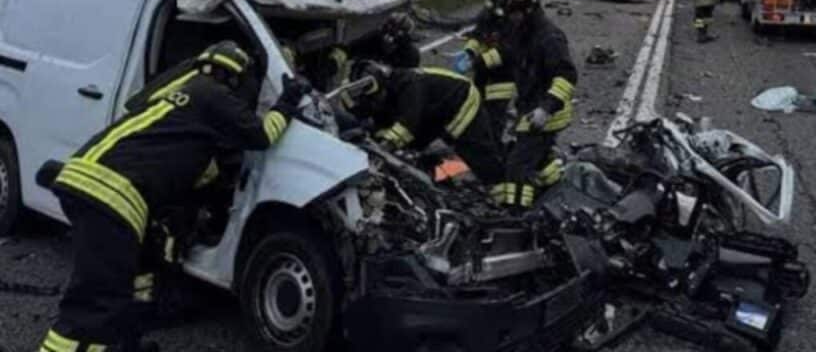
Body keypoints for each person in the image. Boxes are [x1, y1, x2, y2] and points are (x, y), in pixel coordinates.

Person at [38, 41, 309, 352]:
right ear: (234, 78)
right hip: (112, 196)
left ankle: (126, 343)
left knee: (139, 274)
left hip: (86, 175)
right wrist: (287, 101)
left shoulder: (172, 91)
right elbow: (261, 136)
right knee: (95, 304)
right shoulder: (214, 95)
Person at [488, 0, 577, 208]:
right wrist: (479, 61)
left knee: (516, 167)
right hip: (528, 107)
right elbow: (511, 56)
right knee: (532, 160)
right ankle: (555, 178)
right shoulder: (523, 32)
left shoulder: (549, 38)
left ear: (529, 10)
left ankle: (518, 214)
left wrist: (545, 109)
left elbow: (566, 76)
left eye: (514, 13)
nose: (510, 18)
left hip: (546, 113)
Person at [344, 61, 504, 186]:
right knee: (418, 154)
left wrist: (383, 149)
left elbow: (407, 125)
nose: (375, 104)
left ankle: (502, 193)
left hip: (460, 100)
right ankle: (441, 179)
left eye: (375, 98)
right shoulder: (385, 96)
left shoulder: (409, 84)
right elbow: (380, 128)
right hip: (434, 113)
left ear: (382, 86)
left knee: (475, 153)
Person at [454, 0, 518, 141]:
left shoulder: (516, 20)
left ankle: (493, 148)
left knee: (495, 117)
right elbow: (478, 35)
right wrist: (469, 51)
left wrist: (477, 61)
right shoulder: (489, 14)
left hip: (502, 77)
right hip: (483, 73)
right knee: (476, 110)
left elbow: (508, 51)